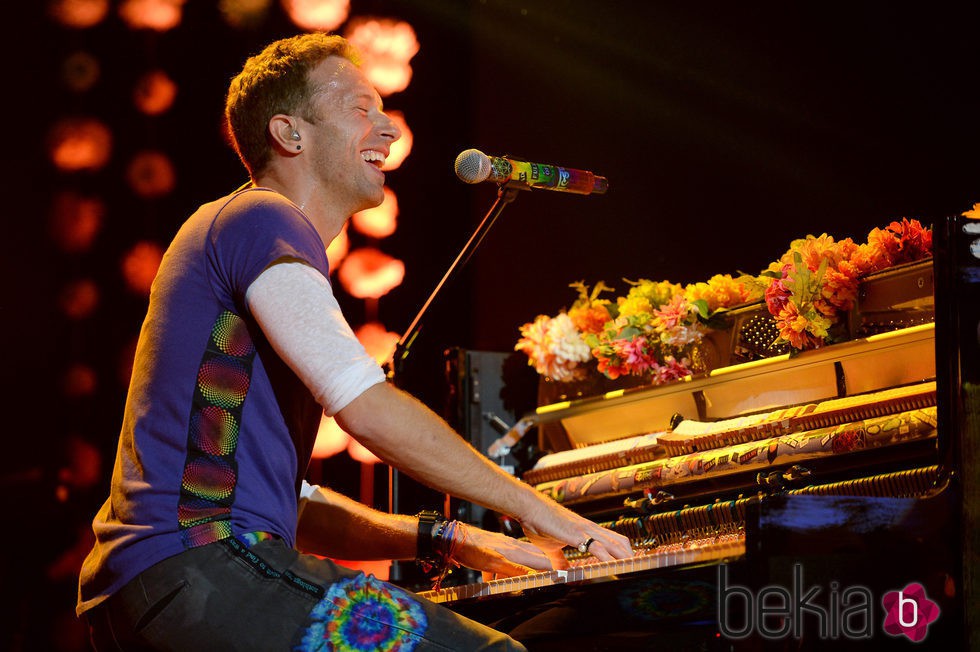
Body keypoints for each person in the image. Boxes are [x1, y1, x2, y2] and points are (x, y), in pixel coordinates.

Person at [76, 32, 633, 651]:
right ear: (291, 134)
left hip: (161, 588)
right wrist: (546, 512)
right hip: (201, 568)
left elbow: (294, 502)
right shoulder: (262, 218)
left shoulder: (243, 234)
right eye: (359, 108)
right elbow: (364, 405)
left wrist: (449, 539)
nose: (388, 130)